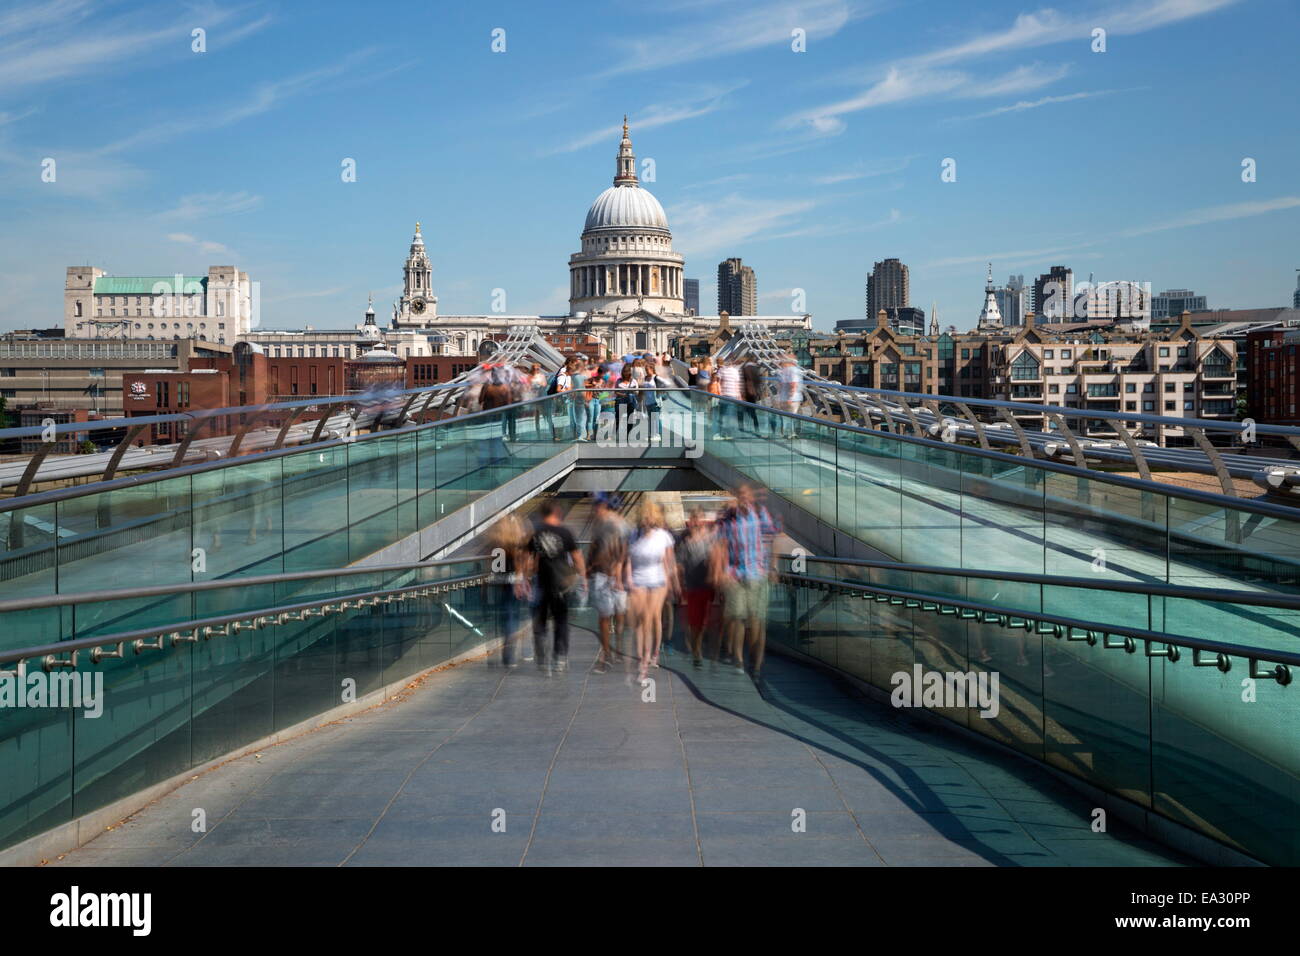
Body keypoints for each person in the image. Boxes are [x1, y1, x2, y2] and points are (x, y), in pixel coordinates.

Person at [714, 483, 780, 682]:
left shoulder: (760, 515)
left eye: (744, 494)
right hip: (736, 575)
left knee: (757, 621)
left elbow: (773, 537)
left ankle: (756, 663)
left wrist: (773, 567)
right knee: (738, 617)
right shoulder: (728, 520)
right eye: (738, 494)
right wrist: (721, 572)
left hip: (758, 574)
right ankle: (739, 660)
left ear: (750, 497)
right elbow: (720, 547)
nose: (741, 497)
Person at [522, 501, 585, 673]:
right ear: (556, 512)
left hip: (542, 582)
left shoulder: (536, 532)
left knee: (540, 620)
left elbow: (527, 558)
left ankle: (542, 655)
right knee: (561, 621)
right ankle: (560, 658)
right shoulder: (565, 532)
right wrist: (583, 578)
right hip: (562, 585)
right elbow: (577, 557)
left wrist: (524, 579)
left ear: (543, 514)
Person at [626, 500, 677, 681]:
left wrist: (673, 582)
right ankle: (643, 656)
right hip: (639, 580)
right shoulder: (634, 535)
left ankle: (650, 656)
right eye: (644, 515)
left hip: (658, 581)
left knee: (653, 617)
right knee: (641, 620)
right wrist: (628, 579)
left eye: (649, 515)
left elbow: (669, 562)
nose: (646, 519)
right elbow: (628, 559)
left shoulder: (663, 536)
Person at [586, 492, 630, 672]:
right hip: (601, 575)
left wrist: (619, 575)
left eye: (598, 506)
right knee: (604, 615)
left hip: (616, 577)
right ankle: (607, 653)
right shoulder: (598, 526)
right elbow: (593, 548)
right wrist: (588, 571)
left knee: (619, 614)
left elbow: (624, 552)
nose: (596, 510)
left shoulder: (618, 525)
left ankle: (618, 646)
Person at [675, 509, 720, 666]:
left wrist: (716, 576)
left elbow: (717, 558)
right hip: (692, 587)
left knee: (705, 622)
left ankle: (707, 650)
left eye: (698, 519)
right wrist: (679, 585)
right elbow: (679, 565)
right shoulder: (685, 542)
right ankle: (697, 652)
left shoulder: (711, 540)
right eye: (693, 519)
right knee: (695, 623)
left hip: (709, 586)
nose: (695, 523)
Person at [486, 513, 529, 667]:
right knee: (513, 617)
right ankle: (509, 655)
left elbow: (489, 562)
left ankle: (492, 655)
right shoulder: (514, 540)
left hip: (496, 580)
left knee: (499, 617)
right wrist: (520, 580)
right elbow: (519, 562)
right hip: (512, 581)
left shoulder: (495, 540)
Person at [777, 354, 805, 439]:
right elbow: (793, 384)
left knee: (787, 417)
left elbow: (790, 384)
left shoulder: (785, 370)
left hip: (787, 398)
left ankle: (786, 433)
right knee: (792, 417)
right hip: (792, 398)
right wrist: (790, 397)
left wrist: (786, 397)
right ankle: (791, 433)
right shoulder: (792, 370)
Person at [716, 359, 743, 438]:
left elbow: (717, 382)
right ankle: (729, 433)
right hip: (733, 395)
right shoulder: (735, 371)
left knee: (722, 414)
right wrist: (739, 396)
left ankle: (722, 432)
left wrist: (719, 392)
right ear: (732, 364)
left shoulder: (722, 370)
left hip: (724, 395)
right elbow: (737, 385)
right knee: (731, 415)